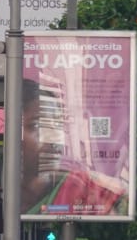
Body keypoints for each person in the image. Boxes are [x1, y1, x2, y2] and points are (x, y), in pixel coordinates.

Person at [20, 79, 129, 218]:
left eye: (57, 125)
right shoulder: (0, 192)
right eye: (37, 126)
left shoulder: (86, 189)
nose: (53, 139)